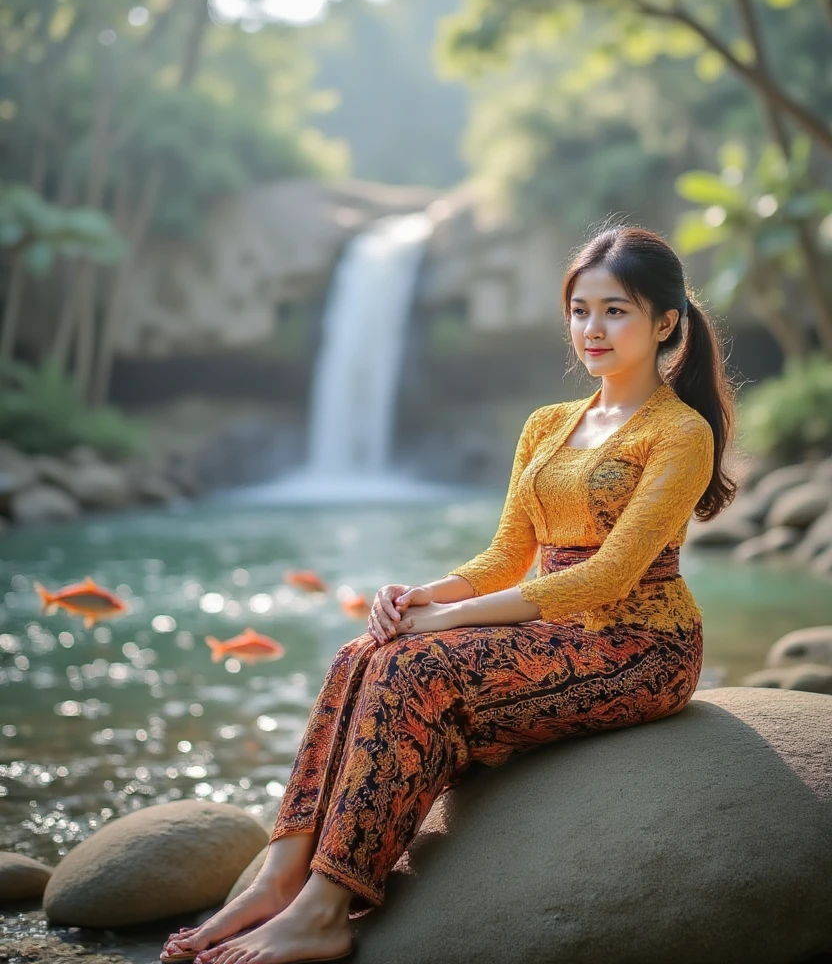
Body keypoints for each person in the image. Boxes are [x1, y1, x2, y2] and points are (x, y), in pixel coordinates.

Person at [160, 225, 736, 964]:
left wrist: (450, 620)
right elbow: (506, 555)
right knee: (360, 653)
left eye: (616, 311)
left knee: (417, 668)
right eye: (580, 309)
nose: (592, 329)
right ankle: (277, 879)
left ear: (665, 323)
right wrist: (415, 597)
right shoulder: (549, 425)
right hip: (555, 631)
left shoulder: (680, 433)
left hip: (638, 647)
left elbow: (606, 578)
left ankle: (326, 910)